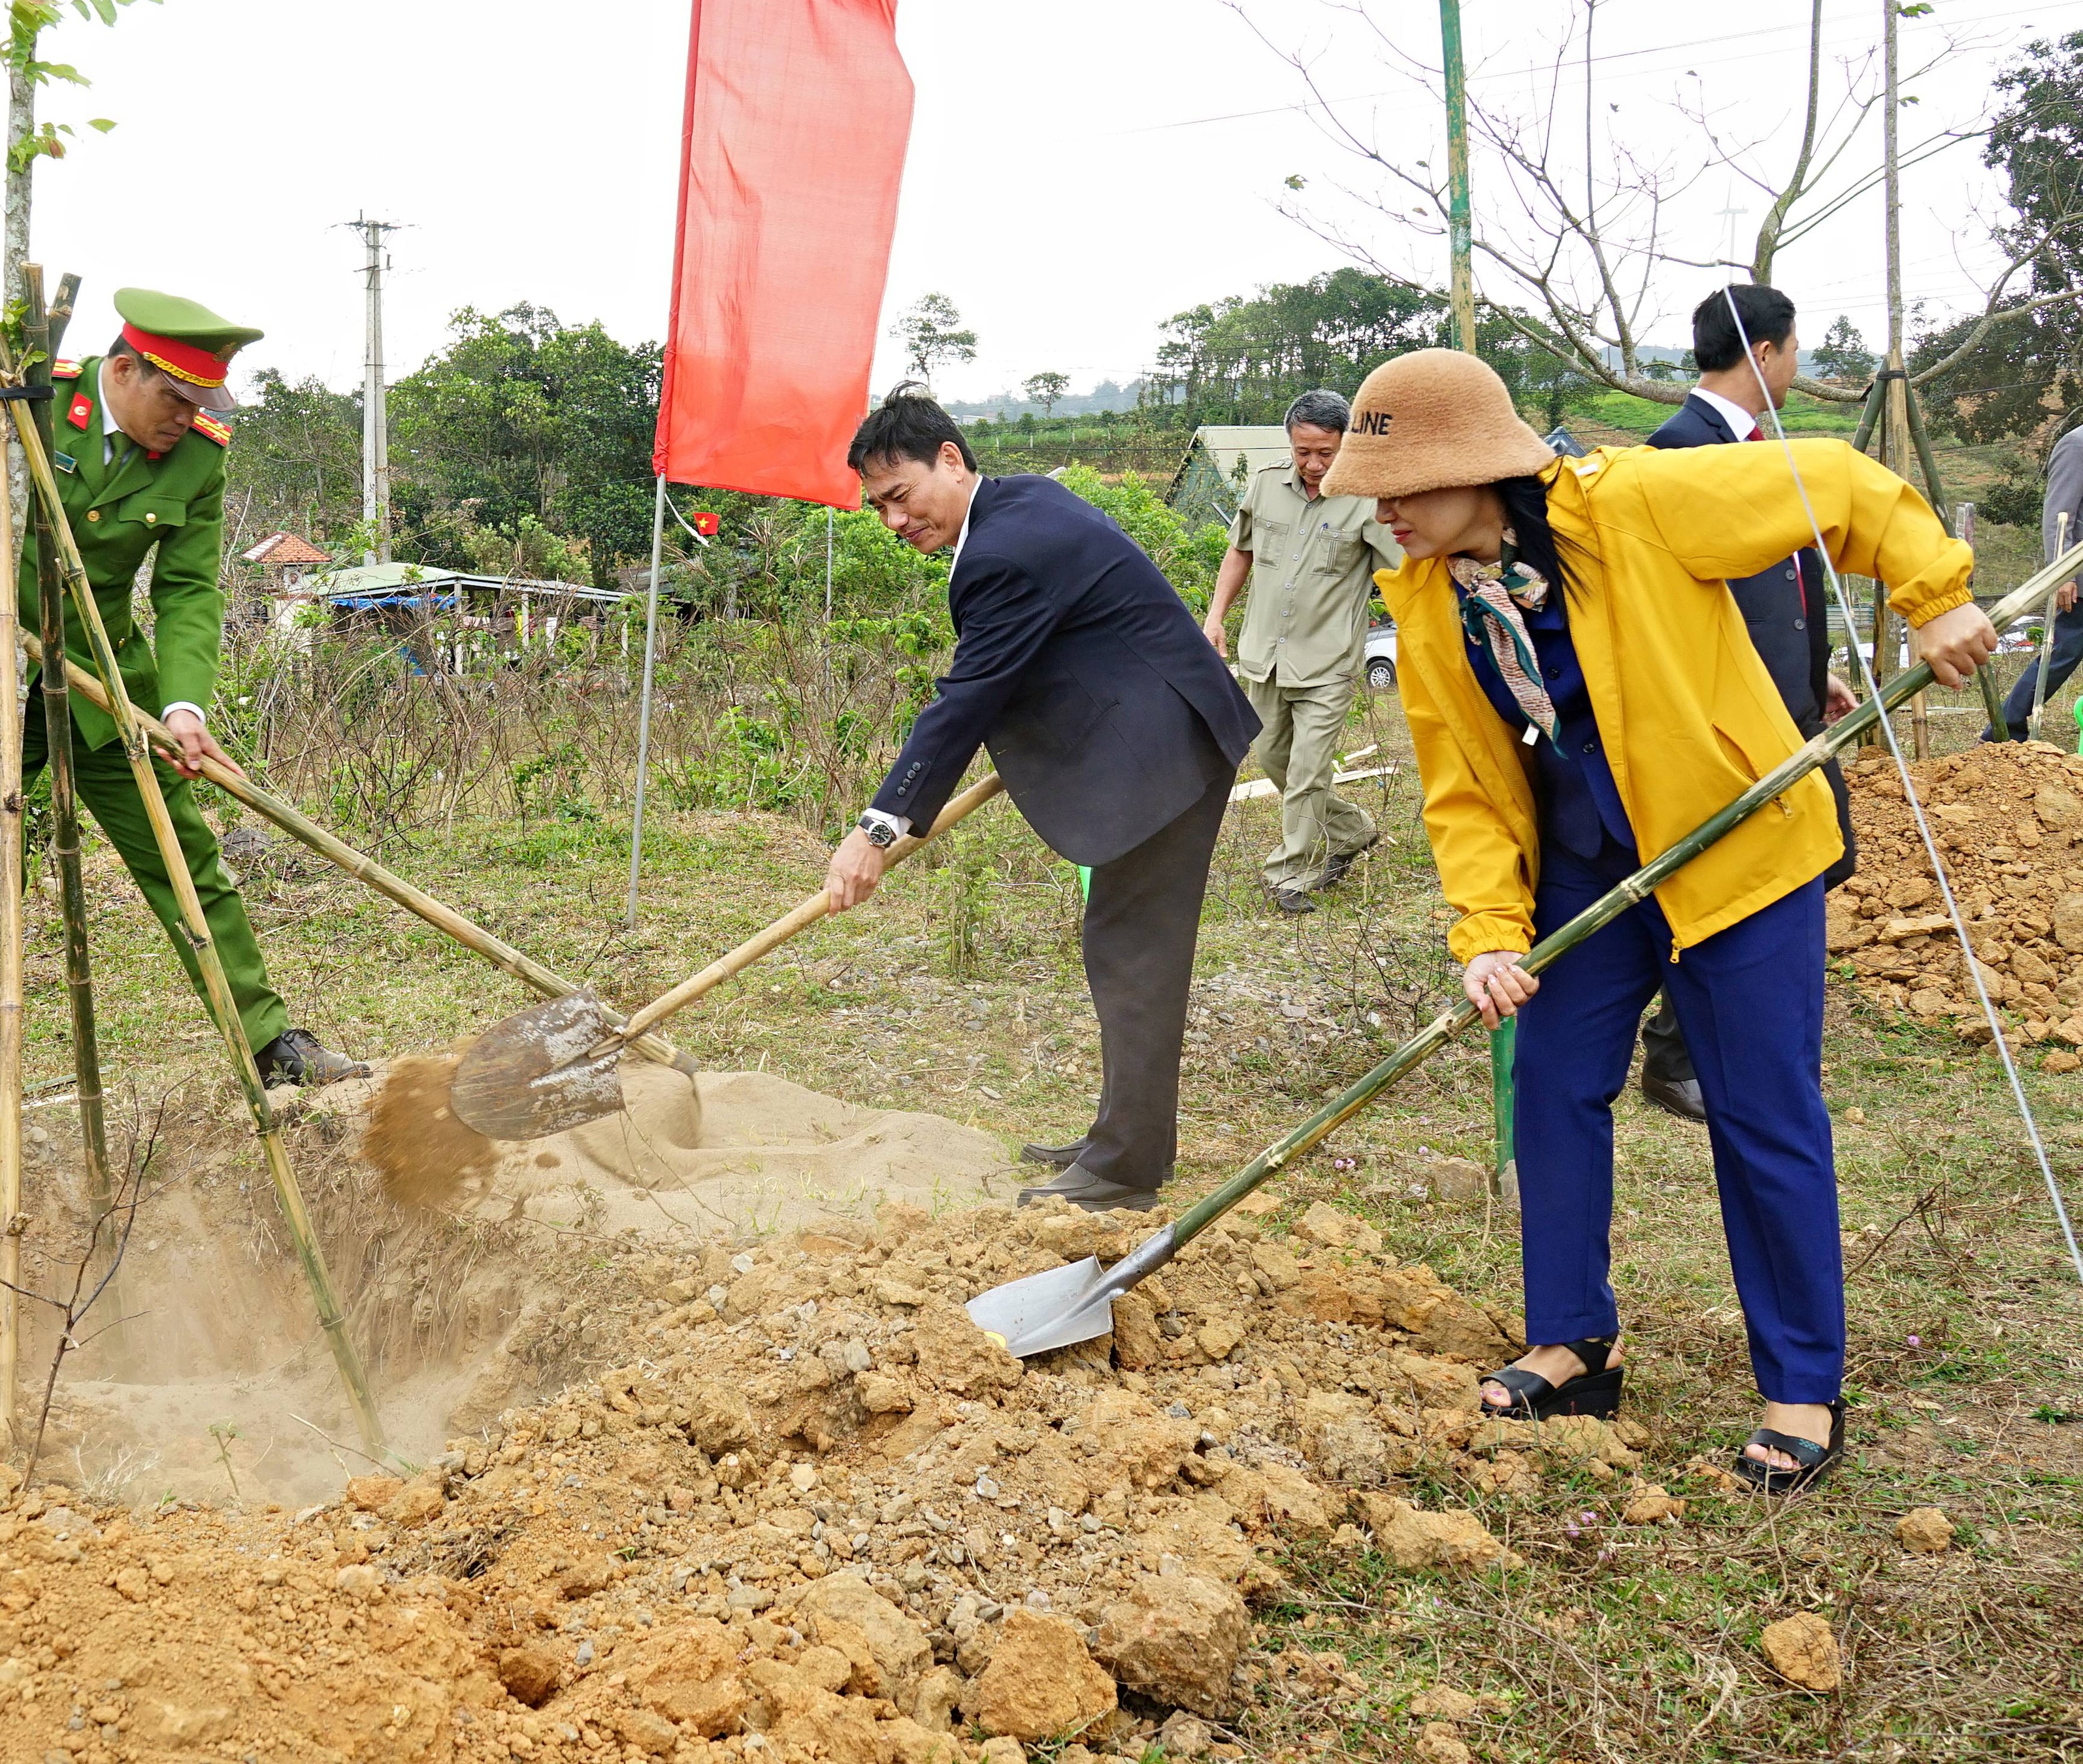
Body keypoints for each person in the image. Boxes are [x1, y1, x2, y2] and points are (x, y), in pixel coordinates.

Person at [1326, 347, 1992, 1492]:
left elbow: (1835, 481)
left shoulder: (1636, 503)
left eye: (1401, 485)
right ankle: (1573, 1341)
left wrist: (1935, 596)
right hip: (1589, 873)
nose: (1382, 511)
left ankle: (1799, 1386)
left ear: (1483, 468)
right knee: (1551, 1080)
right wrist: (1488, 926)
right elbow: (1468, 789)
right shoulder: (1433, 602)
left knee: (1759, 1108)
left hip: (1735, 853)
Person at [0, 287, 361, 1141]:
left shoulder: (198, 457)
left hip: (106, 689)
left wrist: (181, 703)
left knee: (185, 858)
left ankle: (266, 1035)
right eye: (176, 397)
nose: (187, 418)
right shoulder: (30, 398)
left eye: (203, 403)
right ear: (123, 370)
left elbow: (186, 589)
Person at [819, 389, 1260, 1213]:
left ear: (949, 460)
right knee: (1124, 950)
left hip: (1163, 750)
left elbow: (964, 700)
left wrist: (874, 831)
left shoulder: (1003, 552)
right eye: (877, 506)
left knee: (1133, 956)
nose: (892, 521)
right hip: (1156, 730)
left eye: (899, 496)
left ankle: (1123, 1168)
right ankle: (1123, 1140)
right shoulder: (1023, 501)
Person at [1633, 284, 1865, 1126]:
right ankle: (1677, 1049)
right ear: (1764, 353)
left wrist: (1811, 671)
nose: (1797, 366)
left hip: (1786, 704)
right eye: (1796, 350)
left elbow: (1772, 586)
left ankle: (1734, 1030)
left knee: (1820, 854)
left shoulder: (1760, 452)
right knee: (1738, 874)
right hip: (1731, 725)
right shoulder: (1675, 456)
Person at [1198, 389, 1405, 913]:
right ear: (1291, 443)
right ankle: (1353, 828)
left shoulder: (1368, 501)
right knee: (1273, 758)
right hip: (1263, 654)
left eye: (1326, 454)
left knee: (1310, 771)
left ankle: (1292, 872)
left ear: (1346, 446)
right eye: (1304, 452)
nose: (1314, 465)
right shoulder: (1266, 485)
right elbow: (1239, 551)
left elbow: (1408, 572)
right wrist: (1216, 616)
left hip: (1328, 663)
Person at [1989, 412, 2083, 742]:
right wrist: (2062, 574)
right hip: (2080, 578)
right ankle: (2004, 730)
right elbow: (2059, 516)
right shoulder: (2077, 445)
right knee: (2061, 655)